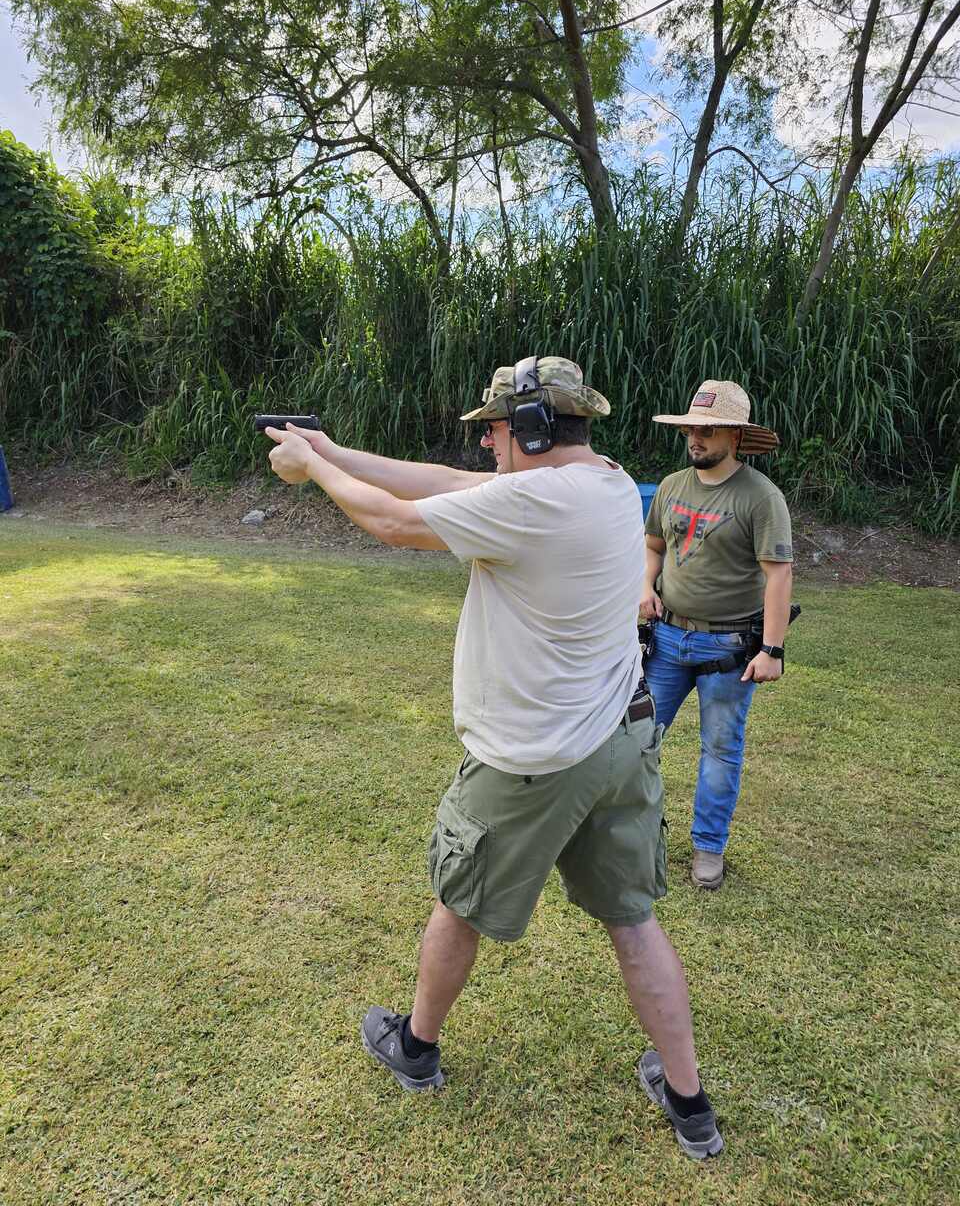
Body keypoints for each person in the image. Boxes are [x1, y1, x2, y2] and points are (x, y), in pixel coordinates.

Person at [265, 357, 724, 1160]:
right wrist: (332, 449)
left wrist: (311, 472)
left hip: (535, 760)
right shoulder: (609, 482)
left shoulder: (537, 501)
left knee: (461, 899)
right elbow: (443, 479)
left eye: (498, 430)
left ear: (536, 430)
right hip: (619, 739)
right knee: (633, 920)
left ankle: (414, 1047)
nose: (486, 446)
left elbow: (393, 521)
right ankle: (689, 1102)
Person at [641, 380, 793, 891]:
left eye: (707, 430)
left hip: (728, 648)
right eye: (691, 429)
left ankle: (708, 848)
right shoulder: (671, 486)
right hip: (665, 640)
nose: (696, 439)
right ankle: (635, 836)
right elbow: (654, 546)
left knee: (720, 750)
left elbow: (778, 576)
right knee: (636, 739)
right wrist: (645, 585)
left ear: (735, 435)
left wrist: (772, 649)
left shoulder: (761, 498)